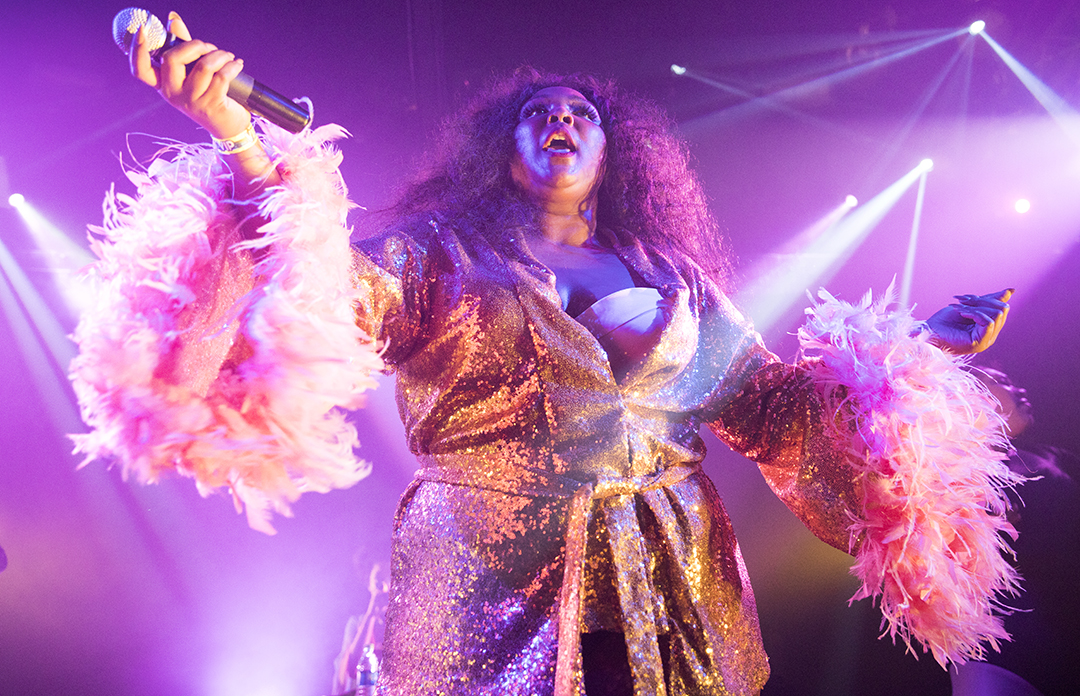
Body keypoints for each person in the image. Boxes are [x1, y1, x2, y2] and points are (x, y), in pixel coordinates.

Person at [70, 13, 1021, 696]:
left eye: (582, 114)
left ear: (615, 152)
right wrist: (244, 142)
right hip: (484, 590)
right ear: (504, 145)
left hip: (672, 593)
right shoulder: (434, 253)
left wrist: (922, 349)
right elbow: (309, 303)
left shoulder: (677, 278)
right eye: (540, 112)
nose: (562, 120)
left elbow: (773, 411)